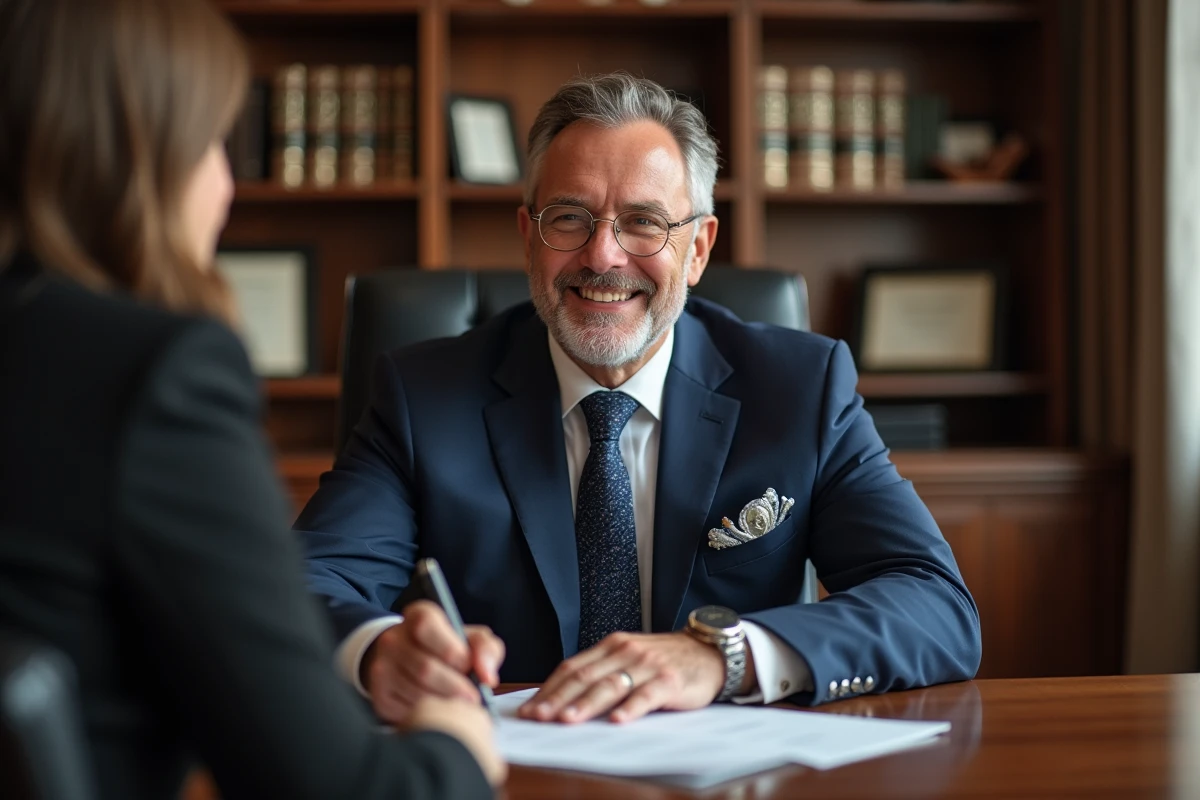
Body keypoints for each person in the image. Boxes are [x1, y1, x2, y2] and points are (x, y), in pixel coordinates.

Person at [298, 72, 982, 727]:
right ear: (528, 238)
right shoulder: (423, 398)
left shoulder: (799, 389)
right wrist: (383, 652)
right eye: (569, 218)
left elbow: (935, 606)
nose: (603, 255)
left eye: (644, 222)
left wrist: (723, 656)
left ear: (698, 250)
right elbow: (307, 584)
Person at [0, 0, 503, 798]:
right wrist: (458, 748)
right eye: (211, 143)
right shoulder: (156, 375)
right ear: (145, 155)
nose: (227, 188)